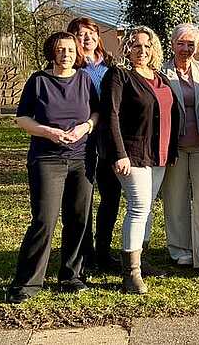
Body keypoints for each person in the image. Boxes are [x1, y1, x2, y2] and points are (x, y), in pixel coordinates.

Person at [6, 31, 99, 304]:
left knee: (78, 219)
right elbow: (22, 119)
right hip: (47, 159)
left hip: (81, 159)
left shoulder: (84, 80)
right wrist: (48, 132)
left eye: (70, 50)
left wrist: (85, 127)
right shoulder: (38, 81)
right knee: (44, 220)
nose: (65, 54)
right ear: (52, 52)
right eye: (60, 49)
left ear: (77, 53)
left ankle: (72, 276)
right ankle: (27, 283)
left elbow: (96, 113)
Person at [100, 26, 179, 293]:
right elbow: (110, 115)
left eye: (147, 46)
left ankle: (141, 261)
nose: (142, 51)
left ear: (154, 49)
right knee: (138, 207)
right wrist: (118, 153)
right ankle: (130, 274)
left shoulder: (159, 77)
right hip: (132, 153)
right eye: (136, 46)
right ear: (127, 49)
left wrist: (171, 149)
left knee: (147, 208)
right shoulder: (119, 75)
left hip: (158, 153)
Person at [161, 23, 199, 276]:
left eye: (191, 44)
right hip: (174, 146)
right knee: (175, 198)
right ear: (172, 44)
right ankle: (180, 250)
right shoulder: (161, 72)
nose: (185, 48)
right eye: (181, 43)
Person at [67, 17, 123, 273]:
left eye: (91, 33)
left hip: (110, 140)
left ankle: (104, 251)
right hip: (83, 142)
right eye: (81, 34)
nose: (87, 38)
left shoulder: (111, 65)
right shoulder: (71, 67)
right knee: (84, 200)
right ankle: (85, 254)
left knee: (111, 198)